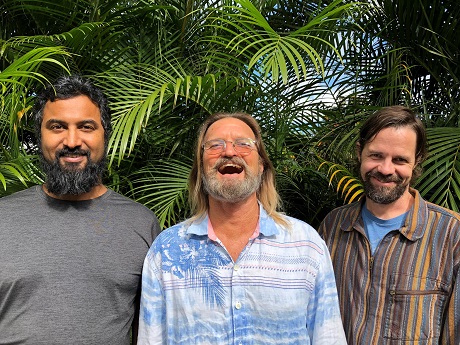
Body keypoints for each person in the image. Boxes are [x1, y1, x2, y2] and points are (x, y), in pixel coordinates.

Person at [137, 112, 346, 344]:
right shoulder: (166, 251)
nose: (228, 152)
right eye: (215, 145)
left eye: (243, 144)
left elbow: (329, 337)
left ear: (262, 166)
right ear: (200, 169)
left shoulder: (306, 245)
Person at [0, 75, 161, 344]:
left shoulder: (141, 224)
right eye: (57, 127)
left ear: (104, 134)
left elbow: (150, 328)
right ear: (40, 135)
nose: (72, 141)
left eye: (86, 127)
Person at [318, 105, 460, 344]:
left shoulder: (450, 234)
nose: (385, 169)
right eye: (376, 155)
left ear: (417, 162)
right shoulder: (333, 226)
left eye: (400, 160)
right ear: (360, 152)